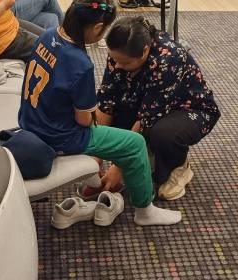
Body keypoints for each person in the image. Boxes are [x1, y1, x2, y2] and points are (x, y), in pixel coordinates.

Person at [18, 0, 181, 228]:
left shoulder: (47, 34)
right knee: (134, 143)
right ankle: (145, 211)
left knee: (110, 128)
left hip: (30, 121)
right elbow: (84, 121)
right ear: (96, 28)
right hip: (59, 135)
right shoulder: (80, 63)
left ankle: (95, 183)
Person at [93, 16, 220, 201]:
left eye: (125, 63)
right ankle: (149, 153)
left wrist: (119, 166)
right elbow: (106, 103)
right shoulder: (120, 52)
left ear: (145, 51)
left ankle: (179, 166)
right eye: (114, 60)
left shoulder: (169, 58)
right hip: (145, 101)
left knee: (162, 134)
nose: (117, 66)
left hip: (190, 110)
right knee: (115, 121)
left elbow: (146, 119)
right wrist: (96, 156)